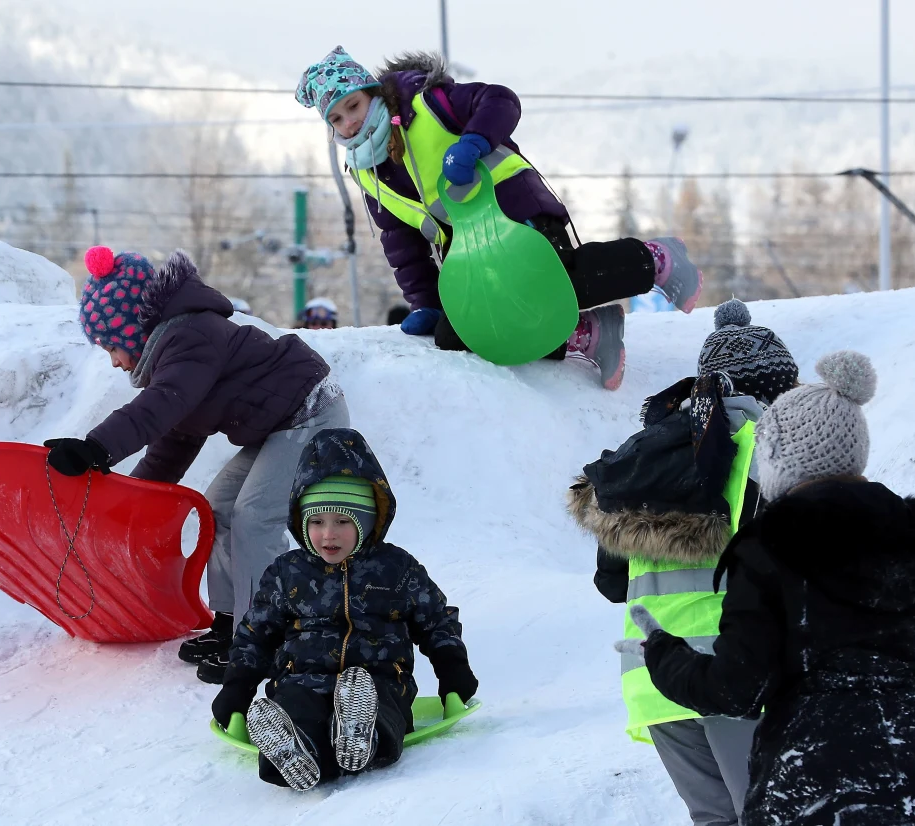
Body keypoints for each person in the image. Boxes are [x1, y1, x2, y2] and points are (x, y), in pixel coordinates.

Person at [622, 352, 915, 826]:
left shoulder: (770, 549)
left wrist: (663, 653)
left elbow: (737, 690)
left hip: (812, 779)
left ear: (777, 456)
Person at [296, 46, 704, 390]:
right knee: (460, 334)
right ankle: (588, 333)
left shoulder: (428, 103)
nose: (349, 121)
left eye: (352, 105)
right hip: (471, 251)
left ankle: (655, 259)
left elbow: (500, 100)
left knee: (548, 279)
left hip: (517, 210)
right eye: (336, 118)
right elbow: (400, 243)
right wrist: (429, 302)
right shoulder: (369, 173)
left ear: (372, 93)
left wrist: (474, 141)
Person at [44, 246, 349, 684]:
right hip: (279, 423)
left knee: (254, 517)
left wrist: (95, 448)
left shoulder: (191, 337)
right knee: (218, 509)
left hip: (311, 411)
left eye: (111, 345)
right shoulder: (177, 350)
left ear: (131, 329)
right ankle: (230, 623)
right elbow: (172, 444)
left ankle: (267, 634)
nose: (112, 360)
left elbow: (162, 407)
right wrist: (127, 504)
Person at [568, 299, 800, 826]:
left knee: (713, 816)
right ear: (775, 389)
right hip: (732, 668)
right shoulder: (764, 451)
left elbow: (610, 582)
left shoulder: (645, 455)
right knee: (767, 813)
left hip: (652, 677)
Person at [211, 428, 478, 791]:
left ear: (367, 521)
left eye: (342, 521)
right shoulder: (287, 571)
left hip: (378, 681)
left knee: (385, 708)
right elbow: (256, 634)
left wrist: (453, 671)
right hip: (302, 679)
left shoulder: (397, 568)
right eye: (317, 522)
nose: (328, 534)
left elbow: (436, 622)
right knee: (295, 706)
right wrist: (237, 689)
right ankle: (292, 747)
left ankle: (359, 732)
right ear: (302, 522)